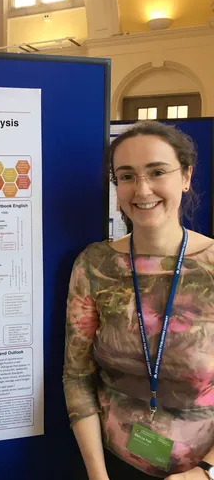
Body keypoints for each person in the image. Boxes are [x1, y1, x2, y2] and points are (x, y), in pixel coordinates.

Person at [63, 120, 214, 480]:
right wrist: (99, 476)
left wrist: (207, 470)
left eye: (157, 171)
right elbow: (77, 376)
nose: (142, 189)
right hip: (116, 463)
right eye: (127, 176)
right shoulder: (95, 265)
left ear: (186, 176)